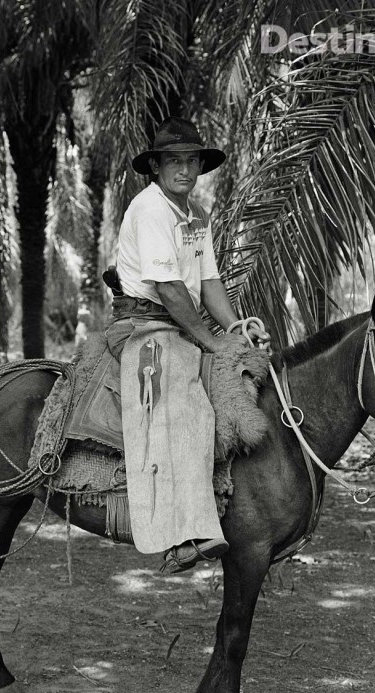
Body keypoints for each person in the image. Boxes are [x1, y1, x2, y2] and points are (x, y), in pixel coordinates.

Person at [106, 117, 270, 571]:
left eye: (191, 161)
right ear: (157, 167)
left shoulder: (196, 215)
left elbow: (209, 281)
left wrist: (235, 330)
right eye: (174, 161)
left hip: (179, 325)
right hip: (144, 327)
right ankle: (181, 535)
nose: (184, 170)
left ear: (200, 164)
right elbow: (171, 289)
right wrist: (210, 342)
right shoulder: (151, 209)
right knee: (181, 400)